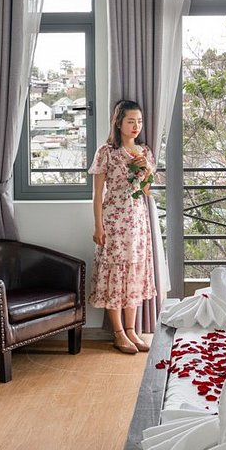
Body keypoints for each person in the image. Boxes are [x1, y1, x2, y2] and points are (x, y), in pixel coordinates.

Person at [89, 100, 157, 354]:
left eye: (139, 121)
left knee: (133, 273)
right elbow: (97, 195)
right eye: (131, 121)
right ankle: (118, 333)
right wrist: (98, 226)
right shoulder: (106, 152)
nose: (136, 126)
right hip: (114, 221)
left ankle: (132, 330)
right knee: (115, 274)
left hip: (138, 221)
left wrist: (147, 169)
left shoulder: (144, 151)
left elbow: (146, 191)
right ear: (119, 123)